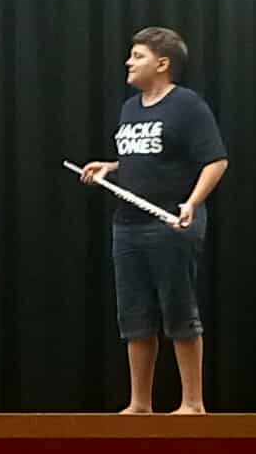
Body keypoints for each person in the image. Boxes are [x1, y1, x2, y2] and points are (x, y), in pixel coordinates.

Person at [78, 26, 229, 414]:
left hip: (170, 222)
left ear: (162, 63)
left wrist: (192, 203)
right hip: (127, 225)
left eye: (137, 56)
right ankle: (139, 404)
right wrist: (110, 167)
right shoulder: (130, 108)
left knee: (178, 311)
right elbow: (143, 157)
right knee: (135, 316)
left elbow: (216, 160)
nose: (128, 62)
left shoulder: (187, 105)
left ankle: (192, 403)